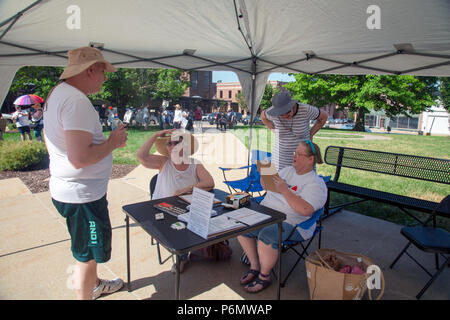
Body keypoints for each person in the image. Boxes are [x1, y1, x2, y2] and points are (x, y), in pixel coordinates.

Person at [43, 46, 128, 300]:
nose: (105, 77)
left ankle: (96, 283)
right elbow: (79, 158)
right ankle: (88, 291)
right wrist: (113, 142)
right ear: (91, 70)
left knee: (87, 250)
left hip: (75, 192)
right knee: (86, 256)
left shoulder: (58, 93)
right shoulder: (75, 100)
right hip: (82, 197)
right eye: (103, 72)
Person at [237, 140, 327, 293]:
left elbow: (306, 210)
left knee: (267, 234)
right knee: (240, 223)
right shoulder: (287, 171)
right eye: (294, 153)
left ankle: (264, 277)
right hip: (267, 212)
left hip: (293, 223)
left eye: (299, 154)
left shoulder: (315, 184)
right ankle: (254, 266)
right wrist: (264, 177)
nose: (294, 157)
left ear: (311, 159)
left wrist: (285, 190)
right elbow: (267, 187)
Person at [136, 129, 215, 272]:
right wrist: (155, 135)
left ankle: (196, 249)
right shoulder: (163, 162)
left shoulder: (194, 164)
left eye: (176, 143)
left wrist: (188, 188)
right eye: (169, 144)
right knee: (182, 227)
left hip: (185, 208)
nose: (172, 146)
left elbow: (209, 182)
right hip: (162, 209)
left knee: (207, 217)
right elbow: (141, 157)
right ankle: (182, 257)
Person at [261, 91, 328, 170]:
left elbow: (324, 116)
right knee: (282, 180)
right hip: (281, 158)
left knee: (305, 180)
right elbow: (263, 116)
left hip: (303, 157)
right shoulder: (273, 112)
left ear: (292, 105)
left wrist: (311, 134)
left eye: (287, 112)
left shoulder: (306, 110)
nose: (285, 116)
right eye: (281, 114)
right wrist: (275, 131)